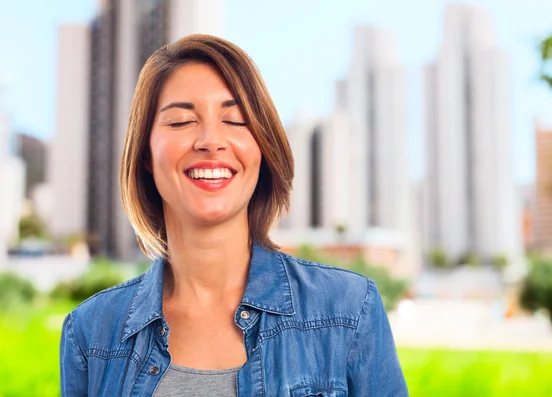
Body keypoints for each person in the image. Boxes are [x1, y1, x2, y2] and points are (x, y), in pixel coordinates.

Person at [59, 34, 409, 397]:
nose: (211, 141)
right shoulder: (90, 333)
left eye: (236, 120)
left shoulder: (349, 309)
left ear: (263, 147)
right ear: (146, 152)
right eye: (180, 121)